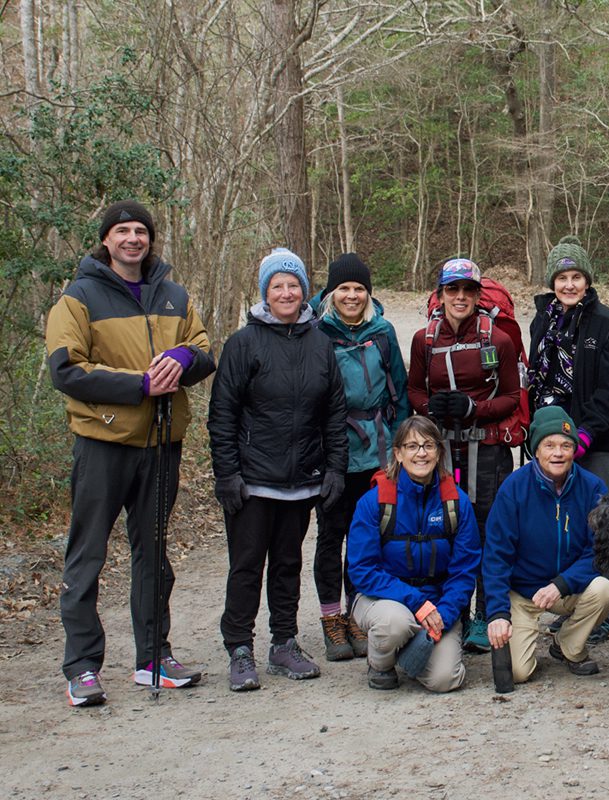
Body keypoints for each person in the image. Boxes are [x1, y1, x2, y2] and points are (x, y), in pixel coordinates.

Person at [46, 200, 215, 706]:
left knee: (153, 555)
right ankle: (81, 668)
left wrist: (184, 357)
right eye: (122, 231)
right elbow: (66, 370)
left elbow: (203, 348)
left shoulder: (174, 295)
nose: (133, 239)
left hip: (162, 444)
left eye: (141, 231)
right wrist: (140, 383)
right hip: (102, 444)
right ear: (107, 240)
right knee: (88, 555)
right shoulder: (77, 298)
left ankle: (153, 659)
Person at [209, 247, 348, 691]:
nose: (286, 292)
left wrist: (335, 469)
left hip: (301, 479)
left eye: (293, 285)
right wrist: (227, 474)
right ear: (265, 293)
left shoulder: (320, 344)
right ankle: (239, 649)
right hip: (252, 481)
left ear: (305, 292)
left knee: (287, 563)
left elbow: (334, 414)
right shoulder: (243, 344)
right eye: (278, 286)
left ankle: (284, 643)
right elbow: (223, 414)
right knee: (246, 565)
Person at [408, 257, 521, 653]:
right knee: (448, 527)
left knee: (490, 531)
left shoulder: (498, 340)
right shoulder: (424, 339)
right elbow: (414, 391)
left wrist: (474, 409)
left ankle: (488, 614)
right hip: (443, 450)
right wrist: (432, 408)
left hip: (487, 450)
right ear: (440, 295)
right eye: (451, 290)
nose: (459, 297)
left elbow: (511, 396)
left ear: (477, 295)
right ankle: (453, 609)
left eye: (467, 291)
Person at [311, 253, 409, 662]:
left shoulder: (383, 332)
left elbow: (400, 396)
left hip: (378, 453)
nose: (352, 296)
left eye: (359, 289)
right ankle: (331, 618)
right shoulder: (316, 334)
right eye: (344, 289)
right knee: (331, 535)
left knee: (368, 537)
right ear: (332, 293)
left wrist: (401, 451)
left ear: (368, 294)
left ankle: (358, 613)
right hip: (333, 450)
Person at [483, 406, 609, 684]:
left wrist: (561, 584)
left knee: (604, 590)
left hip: (567, 588)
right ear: (536, 449)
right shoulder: (513, 488)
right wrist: (497, 612)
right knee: (519, 673)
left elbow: (598, 551)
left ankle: (567, 645)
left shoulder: (592, 488)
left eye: (566, 445)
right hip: (522, 593)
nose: (558, 453)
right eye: (550, 445)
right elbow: (496, 556)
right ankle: (525, 632)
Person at [346, 417, 480, 692]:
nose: (421, 453)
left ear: (439, 452)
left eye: (429, 445)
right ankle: (381, 663)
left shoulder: (456, 502)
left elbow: (465, 570)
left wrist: (445, 612)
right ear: (398, 453)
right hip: (383, 601)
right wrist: (416, 602)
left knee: (445, 680)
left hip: (438, 603)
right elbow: (361, 569)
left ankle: (413, 652)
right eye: (412, 446)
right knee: (395, 623)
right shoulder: (375, 501)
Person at [528, 235, 609, 491]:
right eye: (562, 278)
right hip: (550, 437)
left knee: (593, 518)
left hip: (596, 441)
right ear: (553, 282)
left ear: (587, 281)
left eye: (576, 277)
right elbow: (536, 378)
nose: (569, 285)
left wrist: (585, 433)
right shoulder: (542, 321)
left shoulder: (608, 323)